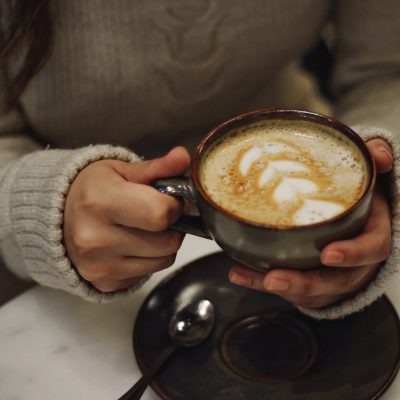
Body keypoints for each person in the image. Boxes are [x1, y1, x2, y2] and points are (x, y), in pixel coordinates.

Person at [0, 0, 398, 320]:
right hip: (68, 287)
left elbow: (385, 71)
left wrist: (383, 183)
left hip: (310, 150)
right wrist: (41, 211)